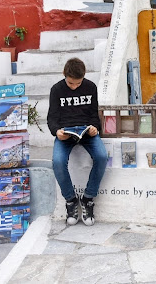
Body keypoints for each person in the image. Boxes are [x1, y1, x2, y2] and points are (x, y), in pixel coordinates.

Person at [47, 57, 107, 226]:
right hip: (65, 133)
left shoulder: (91, 87)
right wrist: (57, 132)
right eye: (71, 83)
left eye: (78, 83)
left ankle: (88, 198)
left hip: (87, 132)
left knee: (102, 156)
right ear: (64, 75)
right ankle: (71, 201)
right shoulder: (57, 89)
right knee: (58, 161)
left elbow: (94, 115)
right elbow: (52, 118)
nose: (74, 86)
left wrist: (95, 128)